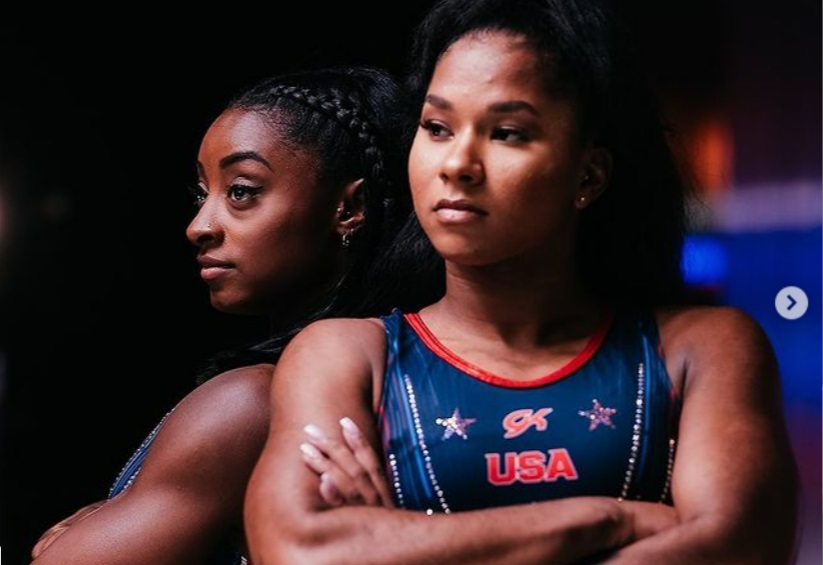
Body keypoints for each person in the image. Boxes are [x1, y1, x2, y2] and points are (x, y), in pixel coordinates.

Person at [243, 0, 802, 563]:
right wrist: (609, 519)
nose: (457, 164)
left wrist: (397, 542)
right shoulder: (344, 356)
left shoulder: (700, 349)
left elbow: (740, 545)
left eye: (507, 133)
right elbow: (301, 551)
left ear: (589, 174)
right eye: (436, 128)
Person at [29, 64, 413, 565]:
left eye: (241, 191)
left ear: (349, 207)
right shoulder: (398, 377)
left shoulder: (254, 402)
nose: (199, 226)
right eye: (201, 192)